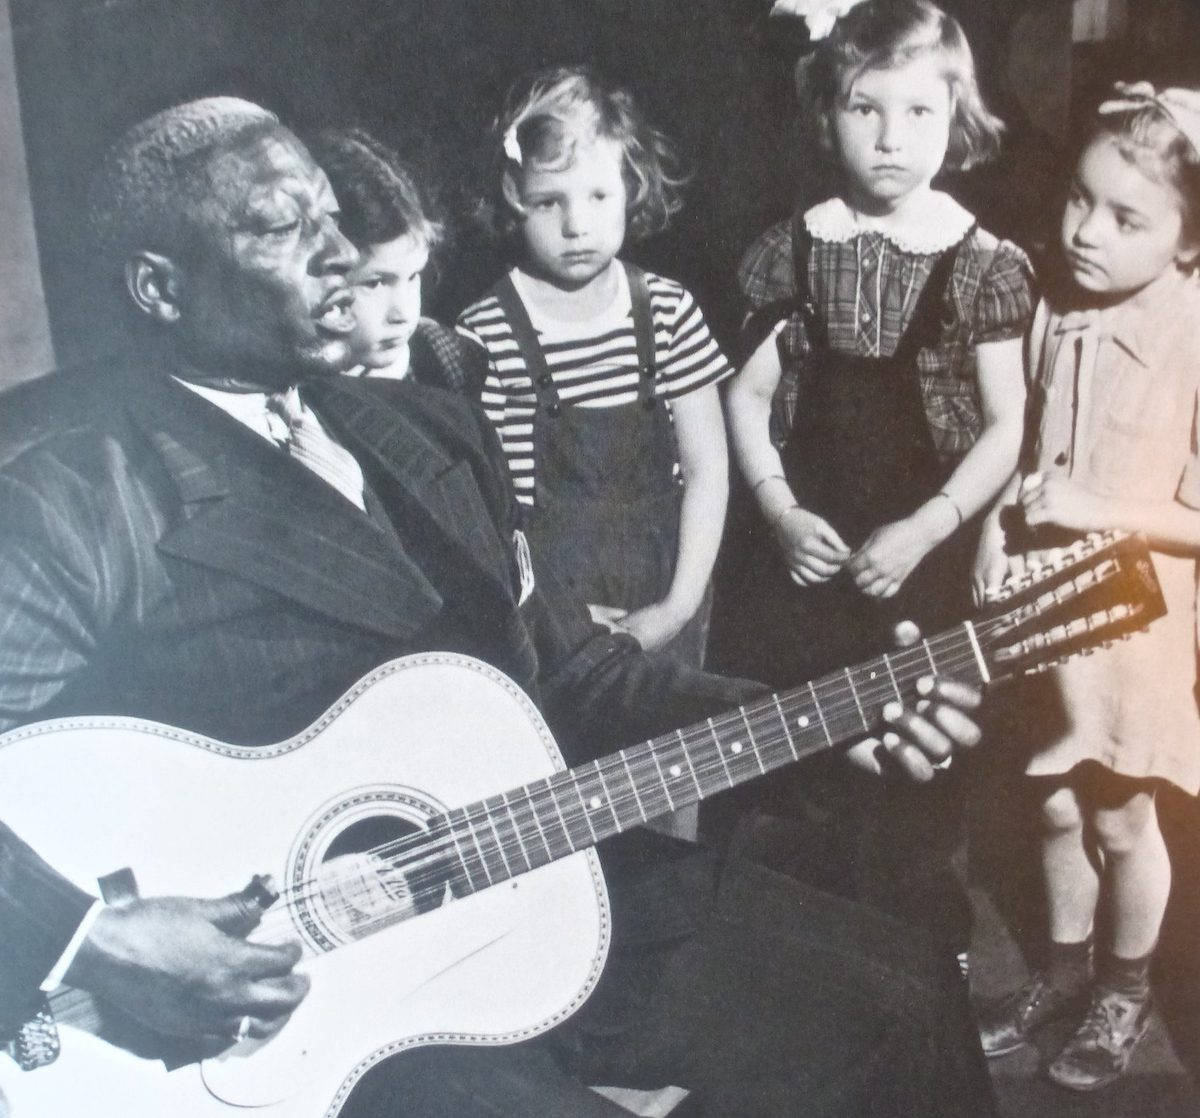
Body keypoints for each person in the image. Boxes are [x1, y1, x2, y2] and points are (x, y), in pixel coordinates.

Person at [0, 96, 994, 1116]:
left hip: (531, 888)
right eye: (280, 226)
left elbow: (566, 676)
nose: (337, 250)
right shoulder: (63, 492)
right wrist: (88, 936)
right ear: (159, 288)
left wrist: (827, 717)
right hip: (297, 1014)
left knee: (905, 997)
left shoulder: (422, 423)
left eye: (330, 215)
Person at [713, 0, 1034, 966]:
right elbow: (748, 394)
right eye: (865, 110)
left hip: (919, 557)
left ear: (957, 118)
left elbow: (1007, 423)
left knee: (918, 753)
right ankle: (808, 955)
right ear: (828, 117)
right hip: (811, 548)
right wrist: (775, 509)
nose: (892, 140)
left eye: (919, 114)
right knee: (805, 754)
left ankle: (924, 957)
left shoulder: (982, 263)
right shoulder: (796, 247)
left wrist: (930, 526)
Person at [973, 83, 1200, 1092]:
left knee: (1119, 815)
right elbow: (1022, 447)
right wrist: (994, 524)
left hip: (1135, 625)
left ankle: (1125, 980)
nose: (1084, 231)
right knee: (1052, 802)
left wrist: (1093, 509)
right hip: (1039, 597)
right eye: (1078, 198)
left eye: (1126, 217)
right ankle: (1064, 966)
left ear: (1190, 241)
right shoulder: (1055, 303)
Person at [457, 66, 731, 667]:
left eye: (597, 195)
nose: (576, 225)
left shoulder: (667, 309)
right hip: (551, 625)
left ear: (632, 188)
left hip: (670, 599)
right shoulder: (487, 331)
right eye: (548, 201)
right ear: (512, 200)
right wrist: (558, 619)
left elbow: (708, 471)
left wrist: (676, 608)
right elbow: (498, 516)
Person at [308, 127, 487, 396]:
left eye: (413, 276)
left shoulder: (449, 362)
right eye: (375, 283)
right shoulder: (294, 391)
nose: (403, 314)